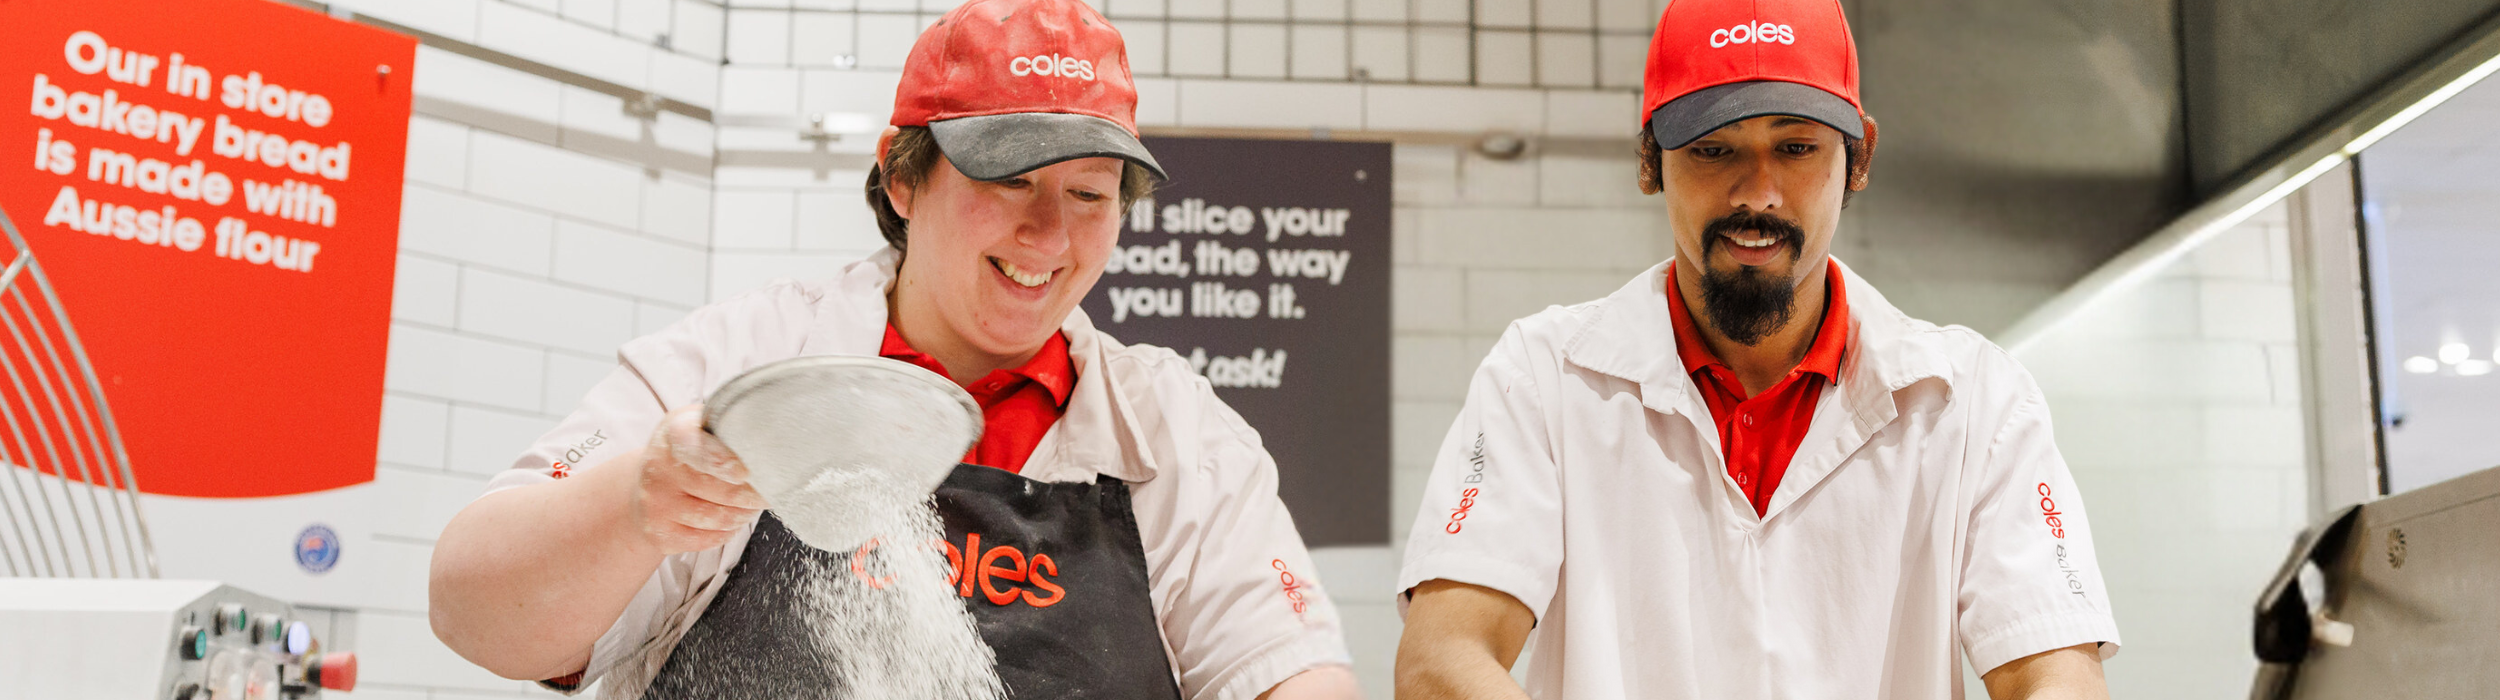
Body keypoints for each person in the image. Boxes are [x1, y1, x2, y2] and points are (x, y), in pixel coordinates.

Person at [425, 1, 1361, 697]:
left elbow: (1289, 674)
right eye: (1011, 180)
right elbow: (473, 613)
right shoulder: (743, 362)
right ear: (902, 178)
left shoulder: (1175, 434)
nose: (1048, 234)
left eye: (1090, 193)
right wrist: (641, 504)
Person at [1391, 0, 2121, 698]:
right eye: (1714, 149)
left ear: (1859, 156)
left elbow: (2053, 673)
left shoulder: (1975, 402)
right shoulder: (1544, 379)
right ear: (1650, 161)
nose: (1758, 192)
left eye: (1796, 147)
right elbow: (1444, 661)